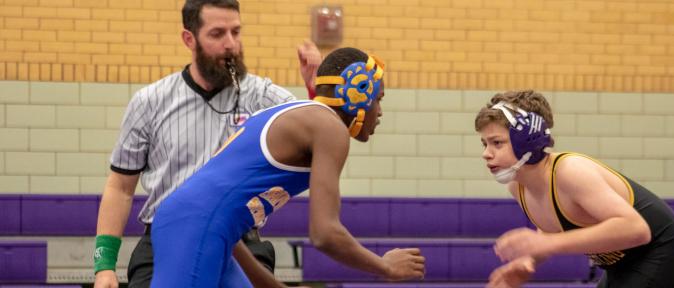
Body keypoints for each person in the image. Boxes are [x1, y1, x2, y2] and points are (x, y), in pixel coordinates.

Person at [149, 47, 426, 287]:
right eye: (378, 99)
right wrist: (385, 266)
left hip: (200, 226)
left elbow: (223, 222)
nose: (380, 112)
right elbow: (324, 233)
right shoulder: (330, 128)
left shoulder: (295, 115)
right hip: (196, 225)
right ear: (358, 93)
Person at [92, 0, 322, 287]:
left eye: (236, 32)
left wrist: (316, 91)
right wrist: (104, 266)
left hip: (241, 243)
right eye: (217, 34)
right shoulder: (149, 102)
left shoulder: (261, 96)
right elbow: (120, 188)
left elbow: (319, 140)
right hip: (166, 240)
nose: (231, 44)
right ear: (189, 39)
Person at [475, 90, 674, 288]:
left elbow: (636, 229)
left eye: (497, 143)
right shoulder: (519, 185)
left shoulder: (570, 171)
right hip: (618, 266)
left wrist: (546, 243)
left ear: (527, 139)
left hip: (659, 256)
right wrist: (527, 260)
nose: (486, 153)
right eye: (485, 144)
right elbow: (552, 225)